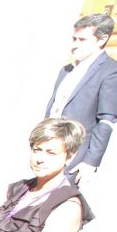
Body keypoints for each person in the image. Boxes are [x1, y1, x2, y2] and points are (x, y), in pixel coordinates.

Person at [47, 14, 117, 184]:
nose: (75, 45)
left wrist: (90, 161)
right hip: (50, 146)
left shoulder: (109, 71)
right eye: (74, 38)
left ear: (101, 40)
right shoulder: (67, 70)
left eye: (82, 40)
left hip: (75, 154)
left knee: (59, 200)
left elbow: (106, 120)